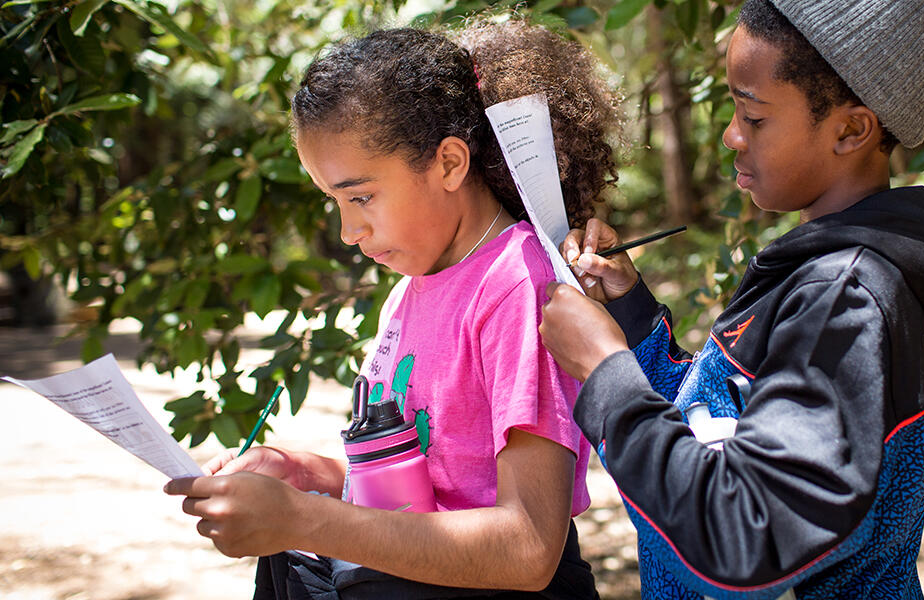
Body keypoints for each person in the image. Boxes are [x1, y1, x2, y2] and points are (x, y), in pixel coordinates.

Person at [539, 0, 924, 598]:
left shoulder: (845, 299)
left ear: (851, 129)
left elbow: (745, 538)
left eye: (753, 116)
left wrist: (606, 374)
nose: (731, 134)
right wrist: (627, 312)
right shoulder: (820, 272)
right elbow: (713, 423)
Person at [165, 18, 622, 599]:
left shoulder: (515, 286)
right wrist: (307, 476)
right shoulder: (411, 287)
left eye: (360, 197)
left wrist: (304, 520)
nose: (349, 231)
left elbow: (528, 548)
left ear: (450, 164)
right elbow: (432, 482)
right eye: (333, 201)